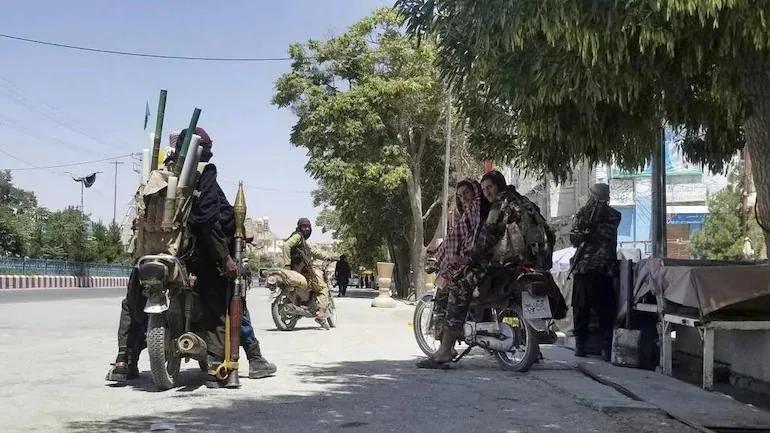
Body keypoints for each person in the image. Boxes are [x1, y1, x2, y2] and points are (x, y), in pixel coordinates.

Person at [105, 127, 276, 386]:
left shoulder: (156, 174)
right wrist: (225, 258)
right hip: (197, 257)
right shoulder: (203, 173)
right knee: (226, 296)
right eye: (207, 146)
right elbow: (207, 219)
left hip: (153, 256)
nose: (210, 151)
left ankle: (123, 360)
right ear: (197, 149)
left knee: (132, 300)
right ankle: (223, 365)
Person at [417, 179, 486, 369]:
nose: (464, 197)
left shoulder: (476, 209)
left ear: (475, 192)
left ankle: (446, 349)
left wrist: (458, 258)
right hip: (473, 261)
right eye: (460, 195)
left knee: (454, 291)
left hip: (473, 263)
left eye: (467, 193)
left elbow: (472, 240)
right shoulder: (478, 209)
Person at [569, 183, 621, 361]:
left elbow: (575, 238)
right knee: (598, 310)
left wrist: (588, 225)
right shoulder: (610, 215)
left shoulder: (601, 215)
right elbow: (576, 238)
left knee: (585, 309)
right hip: (600, 269)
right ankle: (596, 347)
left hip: (591, 268)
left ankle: (585, 346)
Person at [283, 217, 335, 329]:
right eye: (303, 226)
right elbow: (286, 245)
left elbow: (314, 251)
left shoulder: (303, 242)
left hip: (299, 270)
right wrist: (287, 264)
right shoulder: (298, 236)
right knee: (322, 288)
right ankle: (320, 315)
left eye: (307, 227)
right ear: (299, 227)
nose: (306, 229)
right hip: (303, 271)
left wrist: (328, 257)